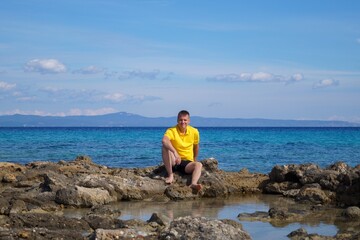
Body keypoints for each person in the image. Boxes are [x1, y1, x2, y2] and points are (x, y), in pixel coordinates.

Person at [162, 110, 203, 191]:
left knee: (198, 165)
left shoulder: (194, 131)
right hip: (174, 160)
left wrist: (194, 160)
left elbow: (196, 146)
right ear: (177, 120)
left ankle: (193, 184)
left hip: (187, 164)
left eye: (185, 120)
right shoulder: (171, 130)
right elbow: (164, 140)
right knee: (165, 147)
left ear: (189, 121)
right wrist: (175, 152)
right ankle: (170, 175)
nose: (183, 122)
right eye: (181, 120)